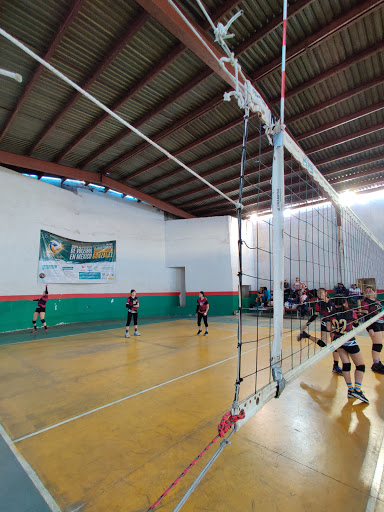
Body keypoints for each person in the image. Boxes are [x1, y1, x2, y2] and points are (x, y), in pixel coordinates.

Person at [299, 296, 368, 403]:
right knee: (360, 366)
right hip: (349, 340)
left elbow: (329, 329)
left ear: (334, 304)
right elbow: (355, 324)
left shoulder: (330, 315)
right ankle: (357, 390)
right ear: (345, 302)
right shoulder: (351, 312)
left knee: (346, 364)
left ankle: (350, 389)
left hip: (338, 341)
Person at [301, 287, 342, 374]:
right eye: (318, 293)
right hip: (325, 323)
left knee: (335, 345)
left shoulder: (333, 301)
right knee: (323, 344)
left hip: (334, 323)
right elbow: (315, 315)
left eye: (321, 292)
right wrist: (307, 324)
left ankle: (336, 365)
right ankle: (306, 335)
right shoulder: (318, 304)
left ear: (326, 293)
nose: (319, 294)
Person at [361, 286, 384, 374]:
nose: (369, 292)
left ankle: (378, 362)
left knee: (380, 344)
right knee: (377, 344)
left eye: (371, 290)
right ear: (365, 293)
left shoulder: (378, 301)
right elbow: (365, 316)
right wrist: (369, 328)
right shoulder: (365, 302)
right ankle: (375, 364)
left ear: (375, 292)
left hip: (381, 323)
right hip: (373, 324)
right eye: (367, 291)